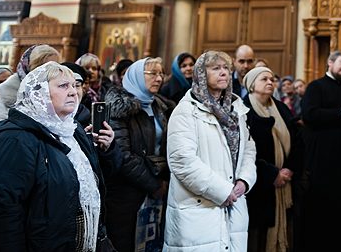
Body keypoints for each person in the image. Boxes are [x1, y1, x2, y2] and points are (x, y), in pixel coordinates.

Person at [0, 62, 119, 251]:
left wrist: (106, 150)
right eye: (63, 86)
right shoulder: (14, 138)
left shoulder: (74, 131)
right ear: (39, 93)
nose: (73, 92)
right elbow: (4, 210)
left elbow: (100, 182)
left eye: (75, 85)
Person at [164, 51, 257, 251]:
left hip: (234, 203)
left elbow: (249, 150)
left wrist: (244, 180)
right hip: (199, 207)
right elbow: (182, 161)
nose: (223, 72)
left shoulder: (236, 110)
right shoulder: (186, 111)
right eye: (215, 68)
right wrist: (223, 191)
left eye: (226, 68)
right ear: (200, 74)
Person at [105, 57, 173, 252]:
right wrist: (154, 185)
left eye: (161, 73)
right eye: (153, 73)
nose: (159, 78)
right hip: (126, 194)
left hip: (157, 188)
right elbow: (123, 155)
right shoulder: (119, 107)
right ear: (135, 76)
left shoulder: (160, 106)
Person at [301, 50, 341, 252]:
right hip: (323, 158)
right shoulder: (315, 87)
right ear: (330, 63)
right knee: (324, 205)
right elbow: (310, 115)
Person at [243, 66, 303, 252]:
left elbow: (298, 141)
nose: (270, 82)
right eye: (264, 79)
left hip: (286, 180)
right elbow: (245, 150)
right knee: (258, 238)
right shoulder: (243, 109)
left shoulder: (282, 108)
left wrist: (289, 169)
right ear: (252, 85)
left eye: (271, 79)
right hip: (259, 185)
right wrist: (271, 174)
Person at [0, 44, 61, 123]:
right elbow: (3, 132)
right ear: (28, 69)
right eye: (43, 68)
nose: (50, 73)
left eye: (55, 67)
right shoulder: (3, 101)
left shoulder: (55, 98)